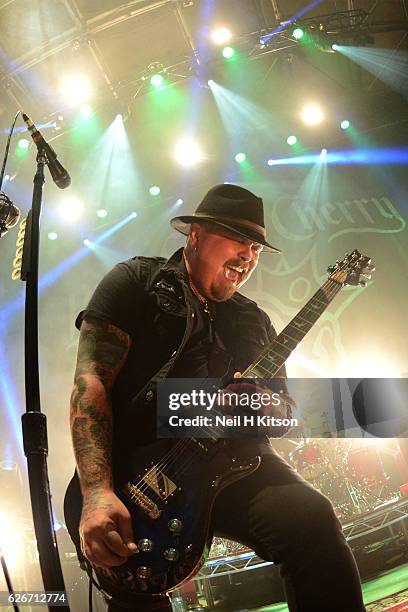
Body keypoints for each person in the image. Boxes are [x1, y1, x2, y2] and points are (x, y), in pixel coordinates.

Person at [67, 184, 366, 611]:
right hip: (137, 473)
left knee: (310, 519)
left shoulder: (252, 318)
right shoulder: (135, 281)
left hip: (234, 466)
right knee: (136, 589)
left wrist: (264, 407)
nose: (249, 256)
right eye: (239, 240)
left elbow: (284, 413)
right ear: (196, 236)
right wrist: (97, 492)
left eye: (256, 248)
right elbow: (90, 383)